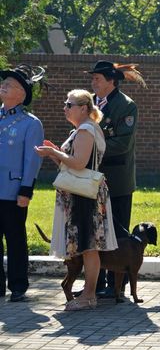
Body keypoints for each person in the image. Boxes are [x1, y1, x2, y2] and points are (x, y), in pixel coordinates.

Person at [35, 89, 118, 311]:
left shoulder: (86, 129)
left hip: (85, 196)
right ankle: (89, 295)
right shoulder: (83, 129)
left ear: (83, 108)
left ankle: (89, 296)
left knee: (89, 245)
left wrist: (54, 153)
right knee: (85, 245)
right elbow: (71, 165)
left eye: (69, 104)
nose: (65, 108)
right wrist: (54, 152)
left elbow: (79, 163)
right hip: (80, 192)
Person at [85, 60, 146, 296]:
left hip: (116, 179)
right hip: (90, 179)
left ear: (111, 81)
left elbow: (122, 143)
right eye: (92, 78)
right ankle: (94, 282)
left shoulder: (126, 106)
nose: (93, 83)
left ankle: (116, 285)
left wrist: (89, 147)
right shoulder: (88, 103)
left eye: (97, 79)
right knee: (93, 232)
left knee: (117, 232)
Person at [0, 64, 46, 302]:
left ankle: (18, 286)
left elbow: (32, 160)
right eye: (3, 83)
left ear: (22, 93)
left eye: (9, 84)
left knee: (15, 239)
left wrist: (26, 190)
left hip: (13, 190)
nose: (3, 86)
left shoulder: (30, 123)